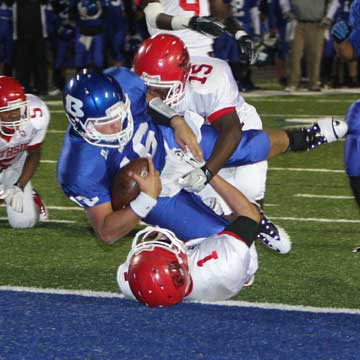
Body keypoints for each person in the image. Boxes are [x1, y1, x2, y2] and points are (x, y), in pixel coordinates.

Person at [57, 68, 347, 248]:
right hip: (154, 191)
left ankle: (304, 138)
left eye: (119, 115)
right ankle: (235, 218)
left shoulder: (122, 84)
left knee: (247, 147)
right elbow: (106, 232)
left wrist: (175, 121)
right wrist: (145, 201)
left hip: (166, 140)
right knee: (225, 244)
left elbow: (146, 98)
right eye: (105, 124)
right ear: (80, 124)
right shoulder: (78, 167)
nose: (117, 126)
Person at [117, 172, 260, 306]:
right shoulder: (223, 261)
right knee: (240, 209)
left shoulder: (140, 286)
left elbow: (143, 278)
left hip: (216, 275)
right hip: (231, 260)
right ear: (181, 266)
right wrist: (209, 174)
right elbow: (250, 216)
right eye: (166, 247)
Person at [0, 76, 49, 228]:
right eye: (7, 111)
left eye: (17, 108)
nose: (14, 114)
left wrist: (19, 186)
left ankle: (30, 195)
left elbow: (34, 153)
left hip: (15, 162)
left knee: (23, 222)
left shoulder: (36, 114)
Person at [286, 0, 339, 92]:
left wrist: (328, 17)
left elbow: (334, 2)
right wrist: (286, 10)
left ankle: (313, 83)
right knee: (295, 54)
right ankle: (293, 83)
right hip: (298, 23)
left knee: (315, 54)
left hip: (317, 23)